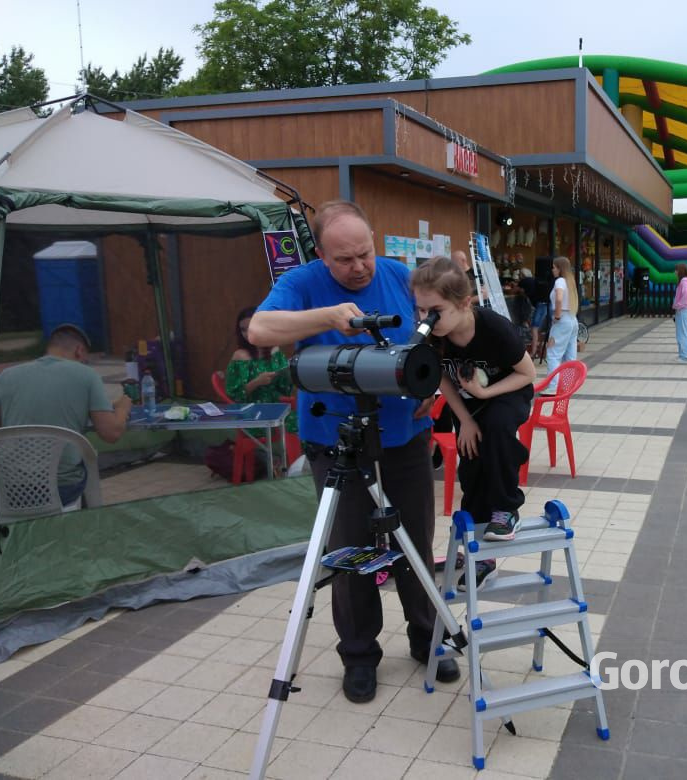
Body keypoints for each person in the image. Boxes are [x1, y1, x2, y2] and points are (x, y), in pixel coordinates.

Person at [248, 200, 458, 703]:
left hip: (404, 437)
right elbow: (259, 330)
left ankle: (426, 636)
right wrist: (327, 316)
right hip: (336, 443)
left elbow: (444, 323)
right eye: (344, 259)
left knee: (414, 542)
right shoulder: (301, 285)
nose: (360, 266)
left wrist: (435, 375)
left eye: (365, 252)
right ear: (321, 255)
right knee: (350, 551)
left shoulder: (399, 275)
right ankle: (360, 654)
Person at [411, 256, 536, 543]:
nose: (425, 320)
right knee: (472, 460)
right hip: (468, 401)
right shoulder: (435, 335)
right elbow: (441, 376)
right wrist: (465, 421)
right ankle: (479, 543)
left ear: (465, 303)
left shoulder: (494, 328)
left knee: (496, 427)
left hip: (507, 391)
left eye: (435, 311)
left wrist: (485, 393)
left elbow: (527, 374)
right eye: (421, 310)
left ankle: (507, 508)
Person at [0, 323, 132, 506]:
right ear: (80, 351)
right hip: (59, 489)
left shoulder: (4, 377)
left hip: (4, 491)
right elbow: (111, 433)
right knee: (86, 467)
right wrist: (123, 407)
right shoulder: (87, 375)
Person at [224, 306, 297, 435]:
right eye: (243, 330)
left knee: (307, 420)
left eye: (250, 327)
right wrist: (257, 382)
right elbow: (233, 395)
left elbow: (285, 389)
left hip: (277, 407)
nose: (247, 333)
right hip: (253, 414)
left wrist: (289, 374)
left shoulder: (274, 350)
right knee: (297, 425)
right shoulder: (240, 356)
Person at [542, 256, 579, 395]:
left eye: (554, 267)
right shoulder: (570, 282)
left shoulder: (560, 281)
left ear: (559, 268)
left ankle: (553, 386)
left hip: (562, 319)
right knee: (570, 355)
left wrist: (556, 316)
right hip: (572, 319)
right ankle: (568, 385)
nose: (552, 270)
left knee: (553, 354)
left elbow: (558, 298)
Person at [672, 262, 687, 362]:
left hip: (682, 310)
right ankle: (682, 354)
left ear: (680, 271)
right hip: (684, 310)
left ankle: (685, 356)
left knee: (682, 333)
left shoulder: (684, 282)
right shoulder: (686, 281)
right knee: (681, 333)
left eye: (676, 270)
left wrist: (678, 305)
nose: (675, 272)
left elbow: (686, 296)